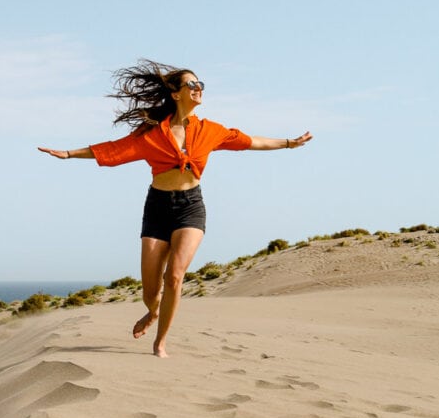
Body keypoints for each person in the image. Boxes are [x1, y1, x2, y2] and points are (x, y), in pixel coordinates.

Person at [39, 59, 312, 358]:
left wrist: (289, 143)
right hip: (157, 207)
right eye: (191, 85)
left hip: (190, 207)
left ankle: (160, 342)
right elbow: (113, 149)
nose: (198, 89)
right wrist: (68, 153)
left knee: (175, 276)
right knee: (149, 290)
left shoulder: (210, 130)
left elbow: (251, 141)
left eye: (201, 85)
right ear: (175, 94)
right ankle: (152, 311)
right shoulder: (151, 133)